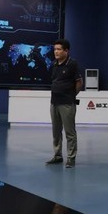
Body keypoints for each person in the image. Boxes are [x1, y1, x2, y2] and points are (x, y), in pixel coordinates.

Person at [45, 39, 83, 168]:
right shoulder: (54, 64)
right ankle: (57, 156)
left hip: (67, 103)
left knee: (69, 132)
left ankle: (71, 158)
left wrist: (71, 96)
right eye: (55, 49)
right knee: (56, 131)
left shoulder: (72, 64)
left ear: (66, 51)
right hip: (54, 102)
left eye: (59, 49)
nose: (56, 52)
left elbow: (79, 82)